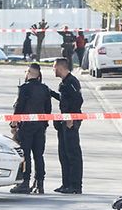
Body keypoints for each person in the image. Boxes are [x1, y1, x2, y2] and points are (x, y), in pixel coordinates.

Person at [10, 63, 53, 194]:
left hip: (27, 126)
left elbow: (20, 106)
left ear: (29, 73)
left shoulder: (24, 88)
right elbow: (48, 109)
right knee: (39, 155)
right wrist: (45, 123)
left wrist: (14, 123)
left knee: (25, 154)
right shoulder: (45, 89)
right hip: (40, 126)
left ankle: (25, 182)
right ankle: (40, 183)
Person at [48, 57, 84, 193]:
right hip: (63, 121)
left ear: (60, 67)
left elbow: (78, 100)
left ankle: (75, 186)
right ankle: (66, 184)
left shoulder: (71, 81)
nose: (53, 70)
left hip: (71, 121)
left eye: (53, 67)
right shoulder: (64, 83)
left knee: (73, 153)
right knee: (63, 153)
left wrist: (71, 118)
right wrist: (52, 93)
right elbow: (65, 99)